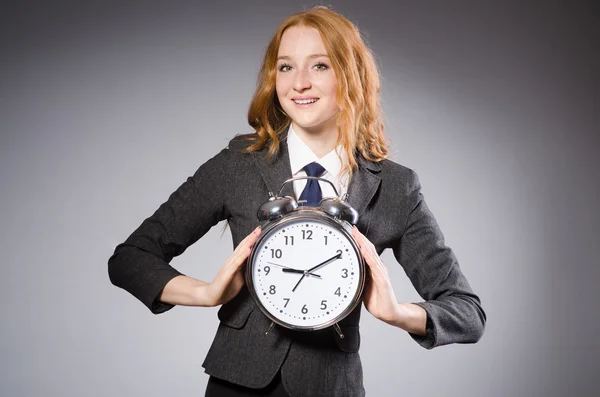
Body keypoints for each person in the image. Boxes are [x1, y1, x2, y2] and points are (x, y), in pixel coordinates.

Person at [108, 6, 486, 397]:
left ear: (351, 75)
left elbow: (468, 313)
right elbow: (130, 259)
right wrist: (206, 294)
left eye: (319, 66)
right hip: (237, 383)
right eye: (286, 67)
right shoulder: (239, 163)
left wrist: (397, 313)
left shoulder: (395, 186)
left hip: (331, 387)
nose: (299, 83)